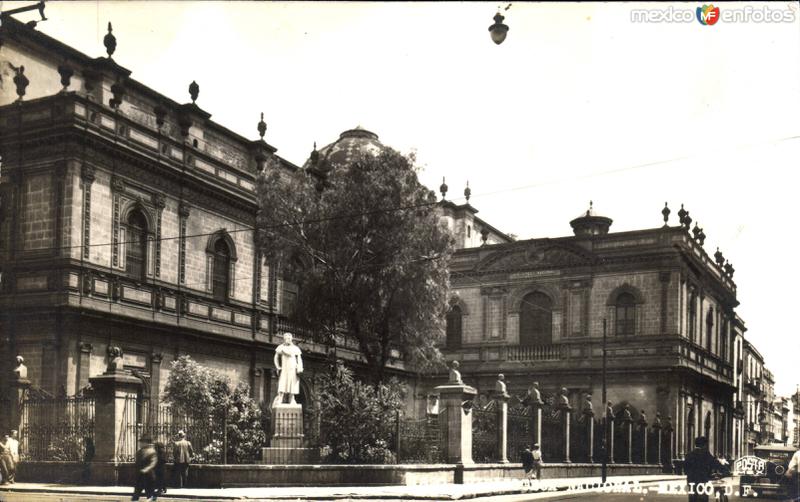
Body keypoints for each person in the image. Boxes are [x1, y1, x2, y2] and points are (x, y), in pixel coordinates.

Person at [683, 436, 721, 502]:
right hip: (703, 480)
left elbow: (685, 469)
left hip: (691, 480)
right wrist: (725, 470)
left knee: (692, 498)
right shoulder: (706, 454)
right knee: (703, 498)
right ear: (704, 445)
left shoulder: (689, 454)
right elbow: (715, 463)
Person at [273, 332, 304, 405]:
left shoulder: (296, 348)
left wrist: (300, 367)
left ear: (291, 339)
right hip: (284, 368)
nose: (288, 339)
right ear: (284, 339)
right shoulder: (281, 347)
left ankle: (292, 399)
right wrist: (278, 366)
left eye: (289, 338)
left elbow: (299, 359)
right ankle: (280, 398)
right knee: (282, 382)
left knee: (293, 383)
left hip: (293, 368)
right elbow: (276, 357)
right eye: (286, 338)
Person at [131, 435, 158, 501]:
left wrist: (146, 469)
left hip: (148, 476)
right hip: (139, 476)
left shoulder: (152, 451)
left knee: (149, 494)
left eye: (141, 442)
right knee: (136, 495)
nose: (140, 443)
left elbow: (153, 463)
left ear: (146, 443)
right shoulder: (139, 452)